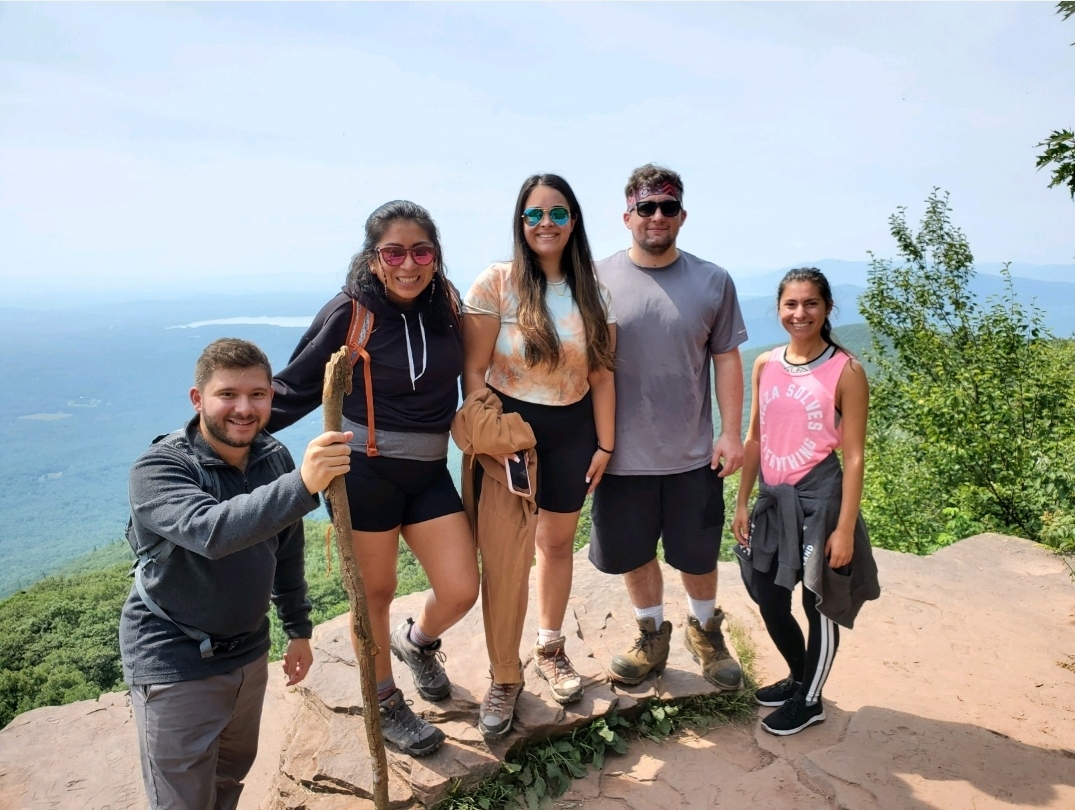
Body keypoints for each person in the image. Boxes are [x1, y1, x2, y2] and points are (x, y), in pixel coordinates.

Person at [269, 201, 479, 757]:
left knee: (461, 589)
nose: (408, 263)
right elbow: (293, 387)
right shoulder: (351, 312)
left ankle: (417, 643)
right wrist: (220, 436)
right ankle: (384, 701)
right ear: (374, 258)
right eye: (394, 251)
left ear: (435, 257)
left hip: (431, 471)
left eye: (421, 250)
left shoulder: (448, 303)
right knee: (375, 595)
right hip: (365, 474)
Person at [121, 338, 352, 810]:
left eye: (258, 395)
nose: (244, 408)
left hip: (248, 653)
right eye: (228, 394)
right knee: (182, 801)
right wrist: (304, 484)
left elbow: (286, 549)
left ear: (271, 396)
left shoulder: (272, 457)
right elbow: (211, 533)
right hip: (175, 658)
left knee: (228, 782)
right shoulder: (160, 467)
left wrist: (298, 628)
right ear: (197, 399)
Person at [462, 173, 616, 736]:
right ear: (520, 222)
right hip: (511, 434)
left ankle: (549, 647)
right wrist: (490, 431)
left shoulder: (593, 289)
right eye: (534, 214)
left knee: (555, 544)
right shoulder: (496, 284)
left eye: (556, 213)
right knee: (507, 555)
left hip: (574, 430)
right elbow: (474, 371)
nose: (545, 223)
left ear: (573, 220)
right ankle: (505, 677)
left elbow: (601, 373)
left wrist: (605, 443)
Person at [590, 163, 747, 691]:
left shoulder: (712, 280)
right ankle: (650, 633)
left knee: (697, 553)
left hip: (692, 454)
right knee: (634, 554)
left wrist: (731, 433)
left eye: (667, 207)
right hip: (618, 454)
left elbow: (726, 357)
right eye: (645, 207)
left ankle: (705, 632)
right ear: (626, 215)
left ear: (682, 215)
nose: (656, 217)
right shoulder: (595, 279)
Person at [731, 268, 879, 736]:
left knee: (821, 602)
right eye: (791, 304)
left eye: (811, 303)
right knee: (770, 598)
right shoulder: (766, 364)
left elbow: (854, 455)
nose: (800, 313)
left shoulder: (846, 370)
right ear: (779, 309)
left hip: (823, 501)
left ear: (827, 308)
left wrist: (844, 528)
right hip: (774, 500)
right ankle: (800, 675)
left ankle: (811, 699)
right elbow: (754, 438)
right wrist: (741, 503)